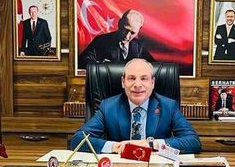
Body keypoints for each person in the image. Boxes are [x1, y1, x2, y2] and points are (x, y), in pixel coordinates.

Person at [70, 58, 200, 154]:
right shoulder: (108, 107)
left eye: (144, 78)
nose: (137, 85)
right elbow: (78, 139)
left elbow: (193, 141)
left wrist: (151, 144)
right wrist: (115, 147)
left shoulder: (168, 106)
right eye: (131, 78)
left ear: (153, 82)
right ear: (123, 82)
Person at [78, 9, 155, 71]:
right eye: (125, 29)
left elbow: (154, 66)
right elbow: (81, 61)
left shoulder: (138, 45)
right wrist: (100, 66)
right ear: (119, 23)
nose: (127, 36)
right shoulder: (101, 41)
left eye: (132, 33)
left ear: (139, 29)